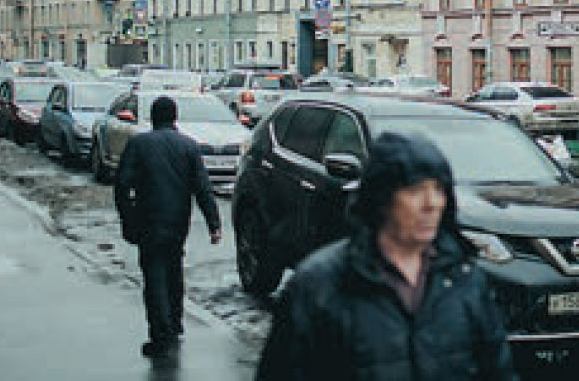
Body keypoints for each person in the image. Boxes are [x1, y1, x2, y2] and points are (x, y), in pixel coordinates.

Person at [256, 132, 516, 381]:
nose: (431, 203)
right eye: (416, 191)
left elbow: (497, 371)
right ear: (382, 198)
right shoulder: (320, 286)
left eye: (438, 190)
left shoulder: (464, 280)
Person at [114, 95, 222, 358]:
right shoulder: (189, 146)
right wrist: (214, 224)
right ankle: (175, 323)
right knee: (174, 271)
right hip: (177, 222)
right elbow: (203, 188)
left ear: (152, 117)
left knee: (154, 277)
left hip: (148, 220)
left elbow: (122, 185)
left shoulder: (139, 144)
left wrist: (128, 217)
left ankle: (161, 333)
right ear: (174, 118)